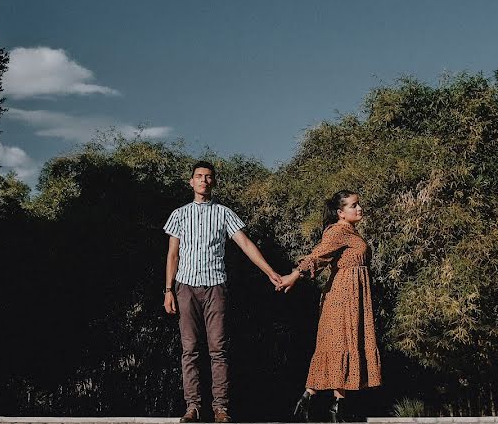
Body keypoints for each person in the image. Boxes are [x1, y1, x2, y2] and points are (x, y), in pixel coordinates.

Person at [163, 161, 284, 423]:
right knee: (190, 350)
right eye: (199, 176)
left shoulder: (224, 213)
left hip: (215, 287)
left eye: (208, 177)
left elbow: (245, 243)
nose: (203, 180)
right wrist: (168, 290)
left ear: (213, 182)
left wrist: (269, 271)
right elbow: (173, 255)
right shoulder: (179, 214)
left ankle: (221, 408)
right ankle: (193, 407)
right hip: (185, 287)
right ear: (191, 182)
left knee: (218, 349)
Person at [277, 190, 382, 422]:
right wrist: (294, 275)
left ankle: (331, 404)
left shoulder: (350, 232)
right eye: (353, 205)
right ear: (340, 212)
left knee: (344, 345)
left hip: (355, 297)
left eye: (359, 204)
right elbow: (317, 256)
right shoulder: (337, 232)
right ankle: (317, 401)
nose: (359, 208)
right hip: (342, 297)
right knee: (339, 345)